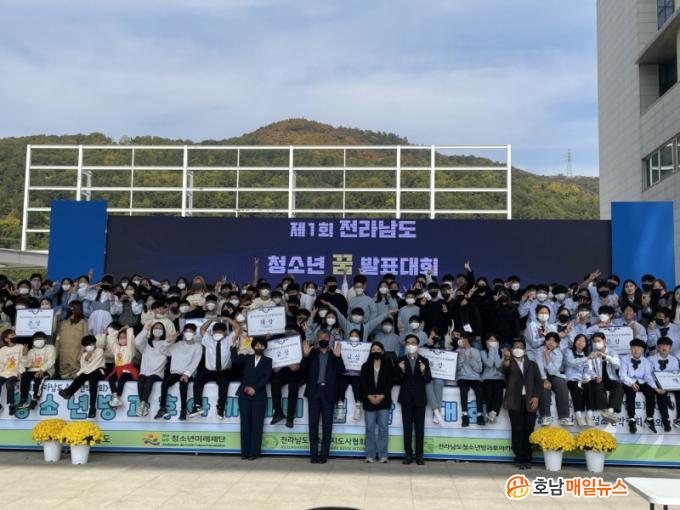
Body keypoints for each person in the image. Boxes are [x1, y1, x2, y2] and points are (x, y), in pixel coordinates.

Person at [300, 329, 345, 464]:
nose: (323, 339)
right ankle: (313, 455)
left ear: (330, 338)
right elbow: (302, 370)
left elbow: (341, 371)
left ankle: (324, 455)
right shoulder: (312, 353)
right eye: (320, 337)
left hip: (329, 393)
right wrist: (305, 356)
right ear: (317, 339)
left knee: (327, 425)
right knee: (313, 425)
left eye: (326, 337)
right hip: (314, 392)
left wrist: (338, 357)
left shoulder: (334, 353)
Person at [502, 338, 542, 470]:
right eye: (516, 347)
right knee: (517, 429)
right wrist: (507, 358)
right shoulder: (509, 362)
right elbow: (505, 370)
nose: (518, 349)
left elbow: (538, 382)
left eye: (520, 347)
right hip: (514, 400)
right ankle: (519, 457)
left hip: (530, 400)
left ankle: (527, 457)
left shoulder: (532, 364)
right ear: (512, 350)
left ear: (524, 350)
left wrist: (536, 397)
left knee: (529, 429)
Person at [231, 335, 272, 460]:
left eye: (262, 345)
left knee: (257, 424)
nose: (259, 347)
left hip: (259, 396)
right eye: (257, 345)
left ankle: (254, 452)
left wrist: (255, 388)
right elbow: (235, 361)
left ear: (265, 347)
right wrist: (234, 347)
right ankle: (245, 452)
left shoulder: (268, 360)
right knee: (245, 424)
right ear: (253, 346)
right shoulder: (247, 358)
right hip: (244, 395)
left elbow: (267, 377)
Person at [190, 318, 241, 419]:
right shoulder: (208, 339)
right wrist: (211, 320)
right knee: (198, 380)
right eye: (215, 332)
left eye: (220, 332)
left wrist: (227, 319)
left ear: (225, 333)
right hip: (209, 371)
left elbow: (238, 328)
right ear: (212, 332)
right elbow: (202, 329)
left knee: (224, 383)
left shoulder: (229, 340)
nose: (217, 334)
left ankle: (221, 407)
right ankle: (197, 406)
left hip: (223, 371)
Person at [396, 334, 432, 465]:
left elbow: (428, 378)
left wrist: (423, 371)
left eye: (413, 343)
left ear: (418, 345)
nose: (411, 345)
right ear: (405, 345)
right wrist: (402, 370)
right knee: (407, 428)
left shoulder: (424, 360)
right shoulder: (400, 360)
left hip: (419, 398)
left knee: (419, 428)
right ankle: (408, 455)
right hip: (406, 397)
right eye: (408, 343)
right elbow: (396, 379)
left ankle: (419, 456)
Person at [156, 323, 203, 420]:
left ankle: (183, 411)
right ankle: (162, 408)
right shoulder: (177, 345)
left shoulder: (198, 347)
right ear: (183, 333)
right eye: (186, 331)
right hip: (176, 372)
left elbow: (195, 362)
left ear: (194, 333)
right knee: (165, 383)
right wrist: (168, 341)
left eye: (191, 331)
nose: (188, 333)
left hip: (188, 373)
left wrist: (187, 374)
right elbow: (163, 351)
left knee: (183, 384)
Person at [359, 341, 395, 463]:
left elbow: (390, 383)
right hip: (369, 401)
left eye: (378, 349)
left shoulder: (388, 365)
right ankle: (369, 455)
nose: (376, 351)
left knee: (383, 428)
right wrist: (369, 396)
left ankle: (383, 455)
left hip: (384, 401)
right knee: (369, 428)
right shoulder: (365, 366)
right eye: (373, 349)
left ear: (383, 351)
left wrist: (382, 396)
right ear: (370, 352)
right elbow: (362, 383)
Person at [58, 335, 105, 419]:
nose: (89, 346)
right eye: (86, 345)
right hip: (88, 372)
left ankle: (92, 407)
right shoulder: (83, 355)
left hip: (98, 371)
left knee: (92, 381)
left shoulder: (99, 351)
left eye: (91, 344)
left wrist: (87, 360)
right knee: (82, 377)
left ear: (95, 343)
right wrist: (80, 371)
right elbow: (83, 367)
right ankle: (68, 392)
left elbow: (94, 365)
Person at [620, 338, 657, 433]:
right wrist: (631, 383)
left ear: (643, 350)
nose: (636, 350)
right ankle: (631, 419)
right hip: (629, 381)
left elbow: (648, 376)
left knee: (651, 391)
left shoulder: (646, 361)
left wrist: (655, 387)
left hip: (641, 381)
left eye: (639, 348)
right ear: (630, 349)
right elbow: (622, 375)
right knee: (630, 392)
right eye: (633, 348)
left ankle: (649, 418)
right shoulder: (624, 359)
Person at [134, 321, 170, 417]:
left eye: (160, 328)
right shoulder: (146, 343)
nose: (158, 330)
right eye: (156, 328)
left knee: (149, 380)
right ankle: (143, 405)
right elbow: (137, 341)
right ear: (152, 330)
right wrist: (145, 329)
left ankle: (142, 405)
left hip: (157, 373)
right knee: (140, 380)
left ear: (163, 331)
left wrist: (167, 342)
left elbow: (168, 352)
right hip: (144, 371)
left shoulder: (165, 343)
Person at [536, 332, 572, 426]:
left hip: (554, 374)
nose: (551, 342)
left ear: (558, 344)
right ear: (545, 341)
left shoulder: (559, 353)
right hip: (541, 375)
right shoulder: (539, 350)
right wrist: (544, 379)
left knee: (562, 386)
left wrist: (547, 357)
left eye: (554, 341)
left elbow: (552, 371)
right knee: (544, 388)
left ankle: (564, 417)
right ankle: (545, 416)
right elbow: (540, 367)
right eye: (548, 340)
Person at [588, 332, 623, 425]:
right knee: (597, 386)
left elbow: (617, 365)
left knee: (618, 387)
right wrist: (595, 377)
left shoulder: (612, 352)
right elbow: (589, 369)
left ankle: (610, 411)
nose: (597, 343)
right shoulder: (592, 354)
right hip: (599, 379)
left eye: (598, 341)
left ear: (604, 340)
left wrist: (605, 356)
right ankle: (605, 410)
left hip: (611, 379)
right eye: (594, 342)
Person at [564, 334, 596, 426]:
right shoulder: (568, 351)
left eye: (583, 341)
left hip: (581, 379)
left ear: (586, 344)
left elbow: (588, 370)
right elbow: (571, 363)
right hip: (571, 379)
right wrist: (587, 358)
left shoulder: (586, 355)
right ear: (575, 342)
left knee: (588, 385)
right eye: (579, 340)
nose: (581, 342)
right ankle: (578, 415)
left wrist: (588, 378)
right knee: (575, 386)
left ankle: (589, 415)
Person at [19, 331, 56, 409]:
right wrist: (24, 355)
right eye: (35, 339)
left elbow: (50, 361)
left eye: (39, 339)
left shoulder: (50, 347)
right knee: (24, 376)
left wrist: (42, 370)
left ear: (45, 339)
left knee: (39, 377)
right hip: (32, 370)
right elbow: (27, 365)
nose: (37, 341)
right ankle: (23, 400)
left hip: (46, 370)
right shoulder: (31, 351)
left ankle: (35, 399)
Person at [648, 336, 677, 432]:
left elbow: (675, 376)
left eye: (667, 345)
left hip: (670, 383)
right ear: (658, 347)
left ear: (670, 347)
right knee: (661, 394)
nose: (664, 348)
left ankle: (678, 418)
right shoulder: (651, 359)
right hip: (656, 383)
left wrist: (667, 387)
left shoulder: (674, 360)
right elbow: (648, 376)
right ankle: (665, 420)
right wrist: (657, 387)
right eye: (662, 345)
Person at [105, 326, 138, 408]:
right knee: (111, 378)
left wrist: (127, 330)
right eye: (120, 337)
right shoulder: (116, 348)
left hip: (128, 370)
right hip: (117, 369)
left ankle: (118, 397)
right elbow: (111, 339)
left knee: (122, 378)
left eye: (124, 337)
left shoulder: (130, 348)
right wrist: (118, 331)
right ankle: (115, 397)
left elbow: (131, 338)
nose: (122, 339)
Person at [456, 334, 484, 426]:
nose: (460, 340)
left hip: (475, 377)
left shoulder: (476, 351)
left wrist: (471, 361)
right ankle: (465, 415)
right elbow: (457, 368)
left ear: (466, 340)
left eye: (462, 339)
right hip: (462, 377)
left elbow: (479, 369)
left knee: (479, 390)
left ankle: (480, 415)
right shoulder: (457, 351)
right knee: (463, 390)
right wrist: (461, 357)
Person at [58, 301, 89, 379]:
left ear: (78, 308)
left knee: (76, 379)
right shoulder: (63, 322)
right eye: (70, 307)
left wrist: (80, 355)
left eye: (72, 307)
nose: (70, 308)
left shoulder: (83, 323)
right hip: (63, 357)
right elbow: (58, 340)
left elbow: (85, 341)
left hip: (76, 358)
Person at [0, 330, 26, 415]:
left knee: (9, 384)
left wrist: (20, 372)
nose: (14, 336)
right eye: (12, 335)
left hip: (15, 373)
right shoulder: (2, 350)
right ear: (6, 339)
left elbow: (23, 362)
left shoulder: (21, 347)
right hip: (4, 373)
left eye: (14, 334)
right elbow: (1, 364)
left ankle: (12, 405)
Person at [481, 333, 505, 424]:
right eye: (490, 340)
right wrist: (492, 350)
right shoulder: (483, 352)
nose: (492, 342)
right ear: (486, 342)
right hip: (487, 377)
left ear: (498, 342)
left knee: (498, 390)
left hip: (499, 377)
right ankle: (490, 412)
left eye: (495, 340)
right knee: (488, 391)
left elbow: (498, 365)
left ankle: (493, 412)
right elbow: (490, 363)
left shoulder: (502, 352)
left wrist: (497, 351)